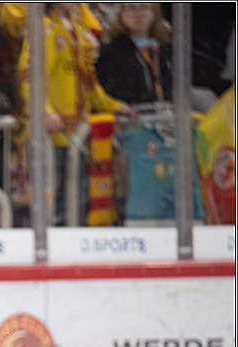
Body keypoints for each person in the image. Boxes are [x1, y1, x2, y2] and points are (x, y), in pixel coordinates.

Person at [17, 3, 134, 227]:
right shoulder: (42, 27)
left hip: (76, 132)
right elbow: (30, 74)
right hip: (50, 134)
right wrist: (43, 111)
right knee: (51, 200)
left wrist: (112, 105)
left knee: (77, 198)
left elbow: (89, 80)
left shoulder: (80, 30)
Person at [96, 3, 173, 106]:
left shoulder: (165, 50)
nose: (138, 14)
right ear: (121, 13)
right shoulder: (111, 52)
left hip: (165, 113)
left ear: (154, 12)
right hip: (129, 115)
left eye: (144, 7)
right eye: (131, 8)